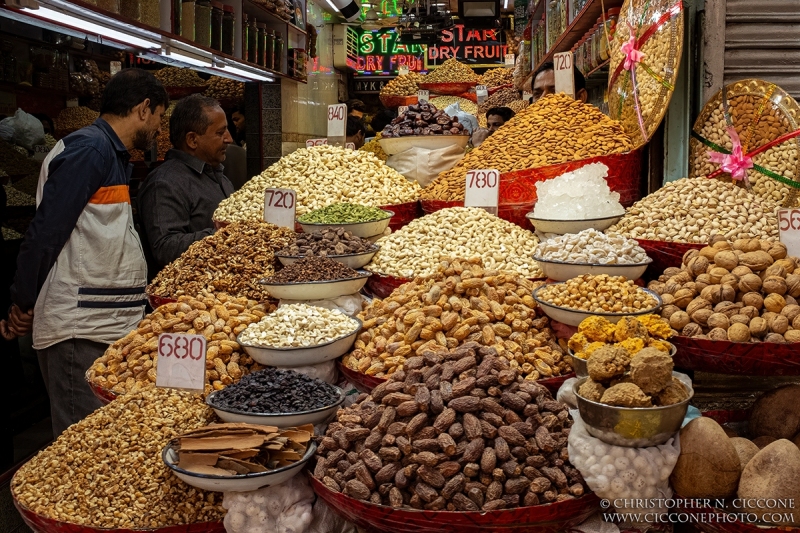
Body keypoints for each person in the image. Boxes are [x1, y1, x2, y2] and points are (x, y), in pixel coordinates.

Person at [0, 68, 168, 437]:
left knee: (102, 440)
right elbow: (46, 233)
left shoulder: (110, 153)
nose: (158, 127)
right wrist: (22, 302)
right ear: (143, 108)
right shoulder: (89, 150)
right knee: (83, 442)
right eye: (159, 116)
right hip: (79, 331)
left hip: (102, 325)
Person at [138, 94, 235, 270]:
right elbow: (165, 248)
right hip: (188, 294)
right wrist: (226, 234)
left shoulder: (219, 177)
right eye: (220, 133)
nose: (229, 139)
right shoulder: (165, 183)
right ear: (192, 140)